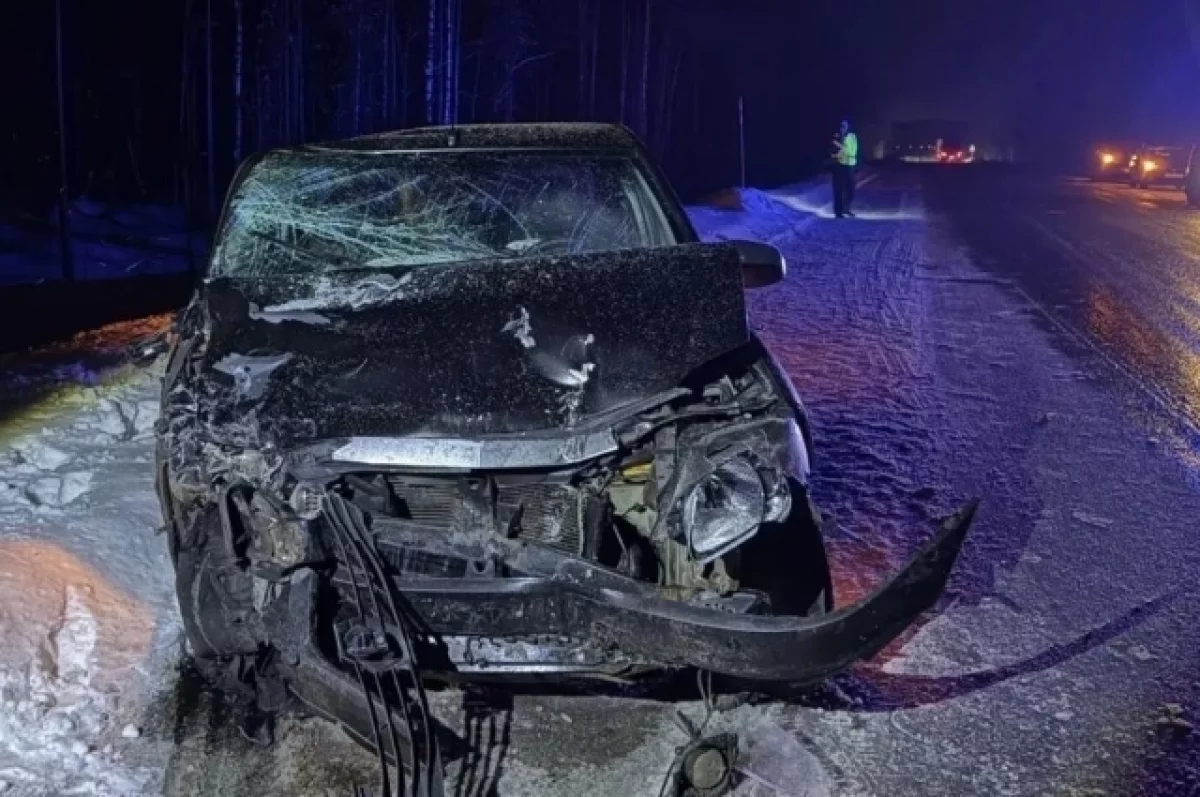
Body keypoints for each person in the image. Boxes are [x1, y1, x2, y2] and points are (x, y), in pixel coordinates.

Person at [830, 119, 858, 218]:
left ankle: (846, 208)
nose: (843, 127)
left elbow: (852, 152)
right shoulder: (836, 136)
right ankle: (838, 212)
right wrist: (836, 154)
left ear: (848, 126)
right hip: (839, 166)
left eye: (845, 125)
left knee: (850, 190)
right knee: (838, 189)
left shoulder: (851, 137)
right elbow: (832, 151)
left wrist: (841, 148)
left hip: (849, 166)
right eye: (841, 125)